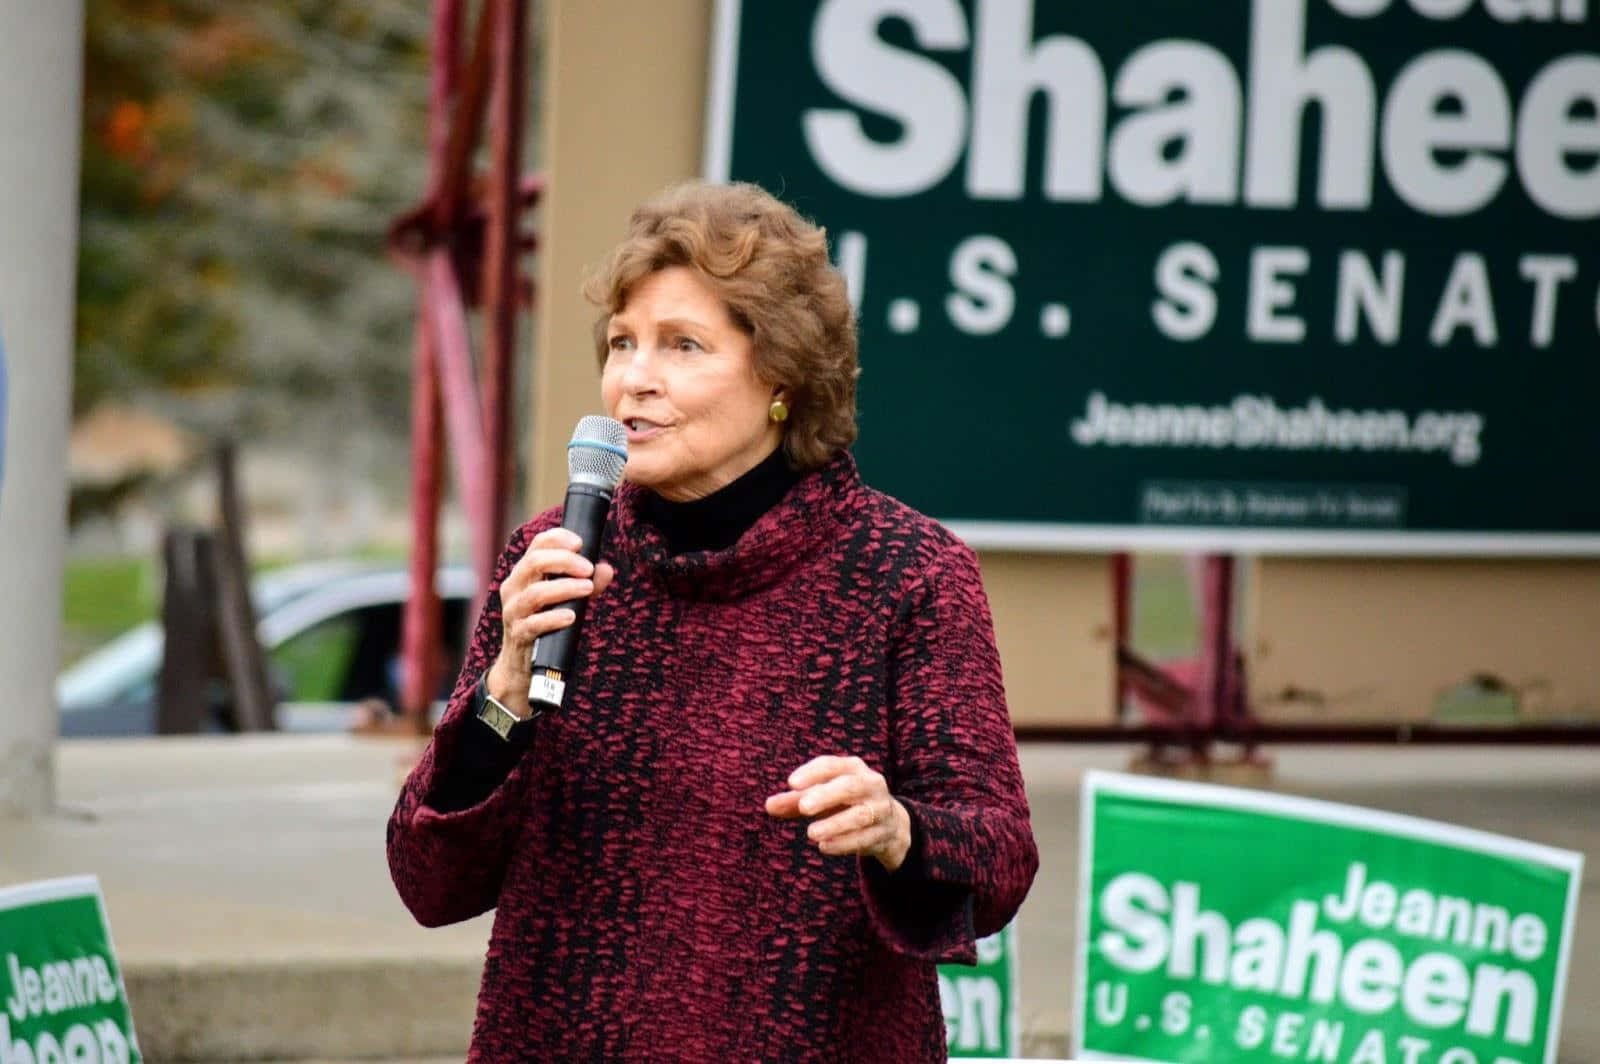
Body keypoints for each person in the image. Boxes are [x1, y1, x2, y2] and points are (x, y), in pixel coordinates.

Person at [387, 181, 1038, 1062]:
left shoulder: (907, 573)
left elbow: (997, 859)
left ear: (782, 376)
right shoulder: (553, 556)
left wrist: (898, 830)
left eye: (682, 345)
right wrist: (501, 697)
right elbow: (429, 882)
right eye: (622, 343)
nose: (635, 379)